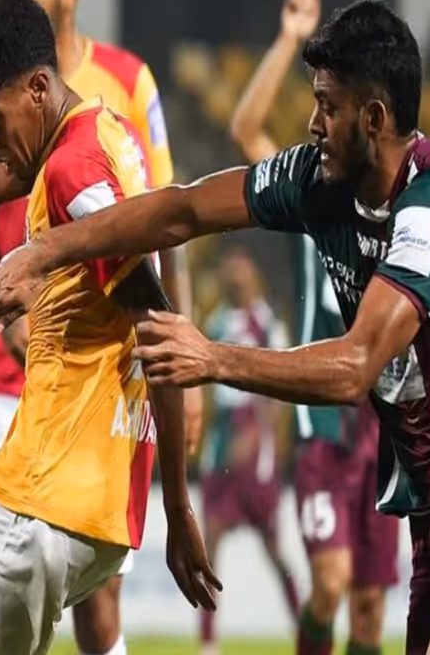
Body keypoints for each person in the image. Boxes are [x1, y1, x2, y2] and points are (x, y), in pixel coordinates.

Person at [0, 0, 430, 655]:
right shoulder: (317, 180)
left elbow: (354, 366)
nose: (311, 123)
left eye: (327, 106)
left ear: (374, 119)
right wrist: (47, 250)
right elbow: (181, 210)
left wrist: (215, 358)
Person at [0, 0, 219, 655]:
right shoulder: (97, 131)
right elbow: (13, 172)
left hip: (48, 504)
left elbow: (160, 330)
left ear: (35, 88)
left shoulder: (73, 175)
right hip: (62, 499)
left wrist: (180, 508)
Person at [229, 0, 400, 655]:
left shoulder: (405, 206)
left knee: (368, 613)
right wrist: (291, 38)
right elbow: (245, 128)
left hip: (383, 425)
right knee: (328, 584)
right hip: (323, 421)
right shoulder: (315, 191)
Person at [197, 245, 300, 655]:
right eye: (229, 268)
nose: (233, 275)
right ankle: (208, 643)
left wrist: (256, 435)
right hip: (221, 442)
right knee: (208, 548)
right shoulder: (216, 322)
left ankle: (302, 627)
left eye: (240, 267)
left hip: (255, 451)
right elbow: (202, 388)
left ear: (252, 274)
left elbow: (281, 392)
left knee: (275, 550)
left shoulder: (268, 325)